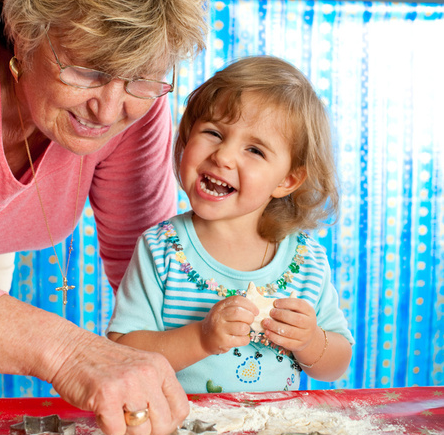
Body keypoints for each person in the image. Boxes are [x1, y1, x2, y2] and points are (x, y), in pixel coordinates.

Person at [0, 0, 219, 435]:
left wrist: (208, 363)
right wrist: (69, 353)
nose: (110, 110)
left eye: (140, 77)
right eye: (89, 72)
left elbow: (145, 264)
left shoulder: (134, 103)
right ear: (26, 30)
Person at [107, 56, 353, 393]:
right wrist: (200, 338)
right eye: (213, 132)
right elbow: (123, 351)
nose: (223, 156)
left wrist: (310, 340)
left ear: (288, 180)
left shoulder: (306, 259)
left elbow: (337, 364)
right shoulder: (161, 248)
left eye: (254, 150)